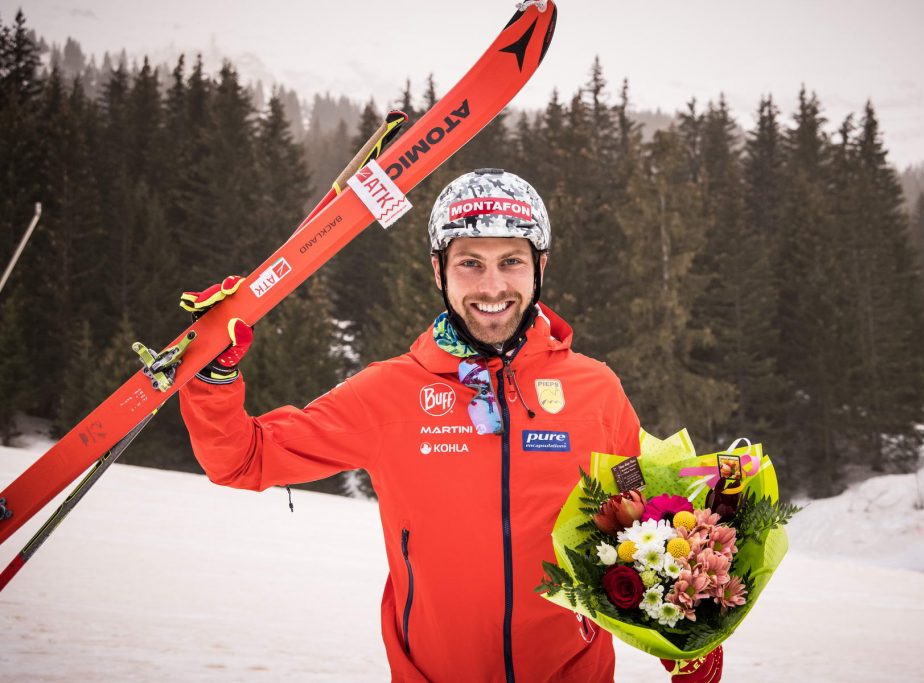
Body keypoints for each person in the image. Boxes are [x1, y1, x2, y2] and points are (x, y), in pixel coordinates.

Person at [178, 168, 722, 683]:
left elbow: (649, 512)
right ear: (439, 269)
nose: (491, 286)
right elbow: (243, 459)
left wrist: (692, 631)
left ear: (540, 266)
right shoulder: (387, 393)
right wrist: (215, 377)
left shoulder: (595, 390)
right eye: (470, 263)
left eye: (511, 261)